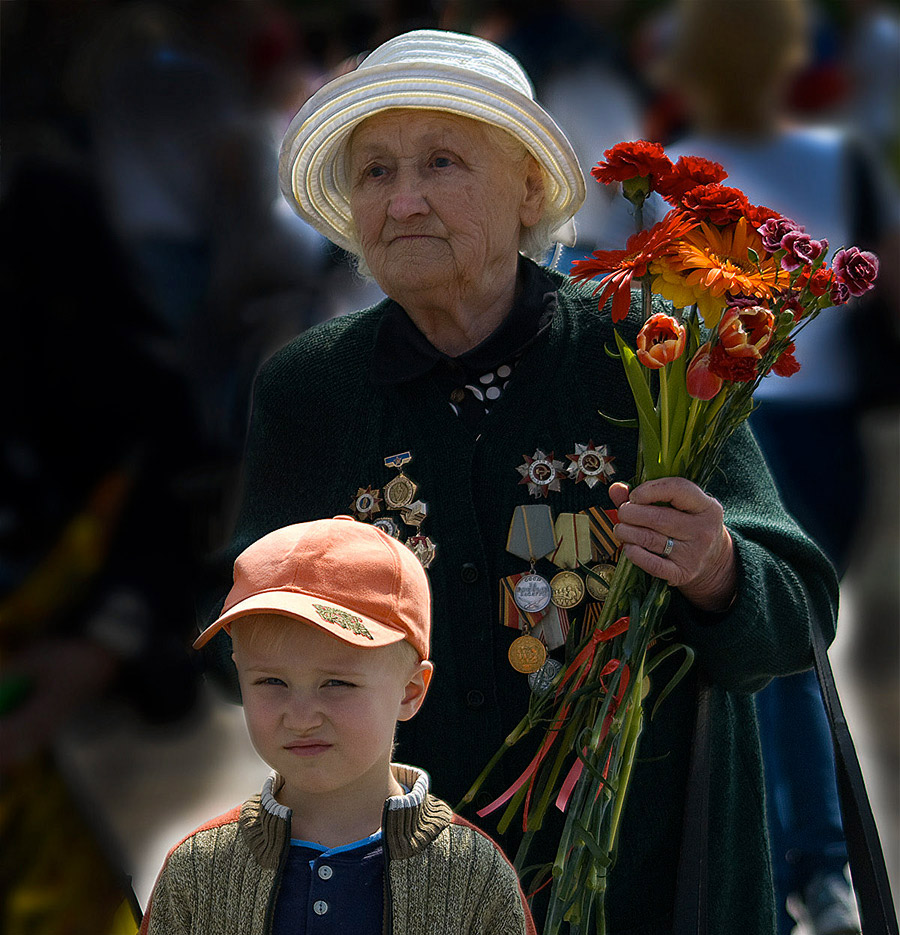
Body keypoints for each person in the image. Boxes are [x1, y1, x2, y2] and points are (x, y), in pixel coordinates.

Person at [201, 29, 838, 933]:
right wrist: (285, 620)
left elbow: (798, 615)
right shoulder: (311, 388)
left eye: (443, 162)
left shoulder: (648, 349)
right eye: (375, 172)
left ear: (529, 186)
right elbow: (243, 649)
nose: (404, 199)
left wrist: (717, 568)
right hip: (410, 884)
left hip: (648, 880)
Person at [654, 1, 900, 931]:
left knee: (768, 644)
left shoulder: (678, 174)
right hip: (795, 437)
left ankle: (793, 859)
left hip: (732, 429)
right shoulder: (838, 164)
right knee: (786, 643)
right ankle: (811, 860)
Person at [142, 516, 536, 934]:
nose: (301, 716)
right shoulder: (196, 870)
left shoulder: (475, 878)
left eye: (336, 683)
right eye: (271, 681)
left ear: (410, 691)